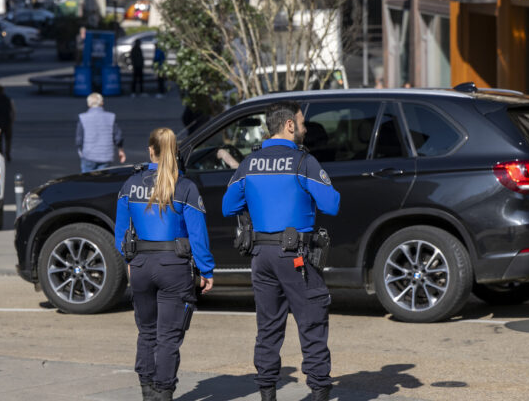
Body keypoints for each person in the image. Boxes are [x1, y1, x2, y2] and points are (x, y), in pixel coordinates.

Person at [222, 101, 341, 401]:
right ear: (289, 125)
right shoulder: (304, 162)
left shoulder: (250, 164)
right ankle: (319, 391)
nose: (304, 129)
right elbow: (332, 204)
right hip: (296, 256)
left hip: (261, 257)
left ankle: (267, 393)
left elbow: (228, 206)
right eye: (301, 123)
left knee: (268, 326)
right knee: (311, 320)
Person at [114, 127, 215, 401]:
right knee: (169, 336)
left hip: (141, 265)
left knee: (146, 331)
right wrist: (206, 270)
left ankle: (148, 390)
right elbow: (198, 235)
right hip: (174, 265)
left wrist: (128, 260)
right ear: (175, 152)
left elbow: (121, 232)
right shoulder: (185, 187)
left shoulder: (130, 185)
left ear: (150, 150)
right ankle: (164, 391)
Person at [75, 92, 126, 172]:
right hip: (106, 156)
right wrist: (120, 150)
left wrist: (81, 152)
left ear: (88, 104)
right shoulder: (111, 116)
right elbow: (118, 137)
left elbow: (79, 139)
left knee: (87, 180)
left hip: (88, 155)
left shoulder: (82, 117)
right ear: (102, 103)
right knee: (103, 180)